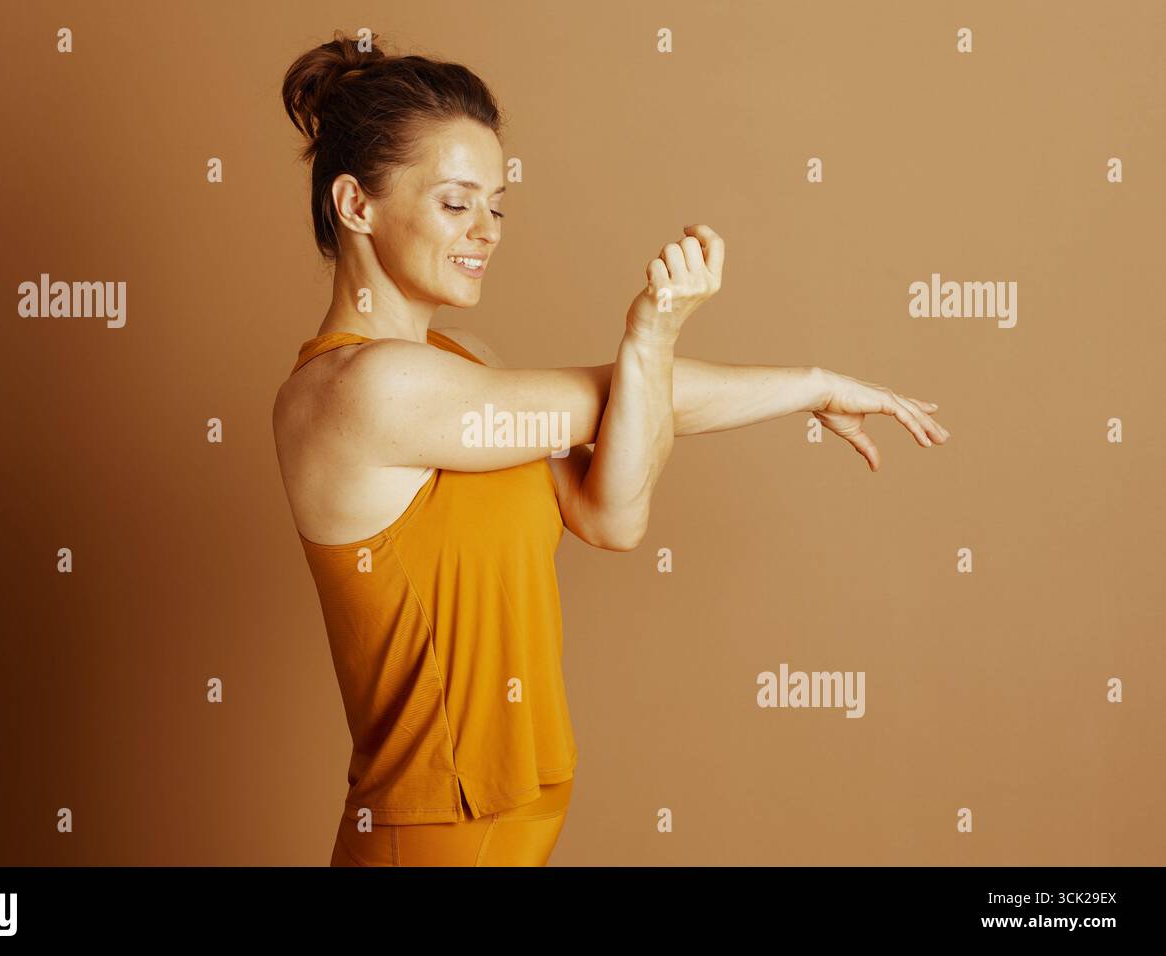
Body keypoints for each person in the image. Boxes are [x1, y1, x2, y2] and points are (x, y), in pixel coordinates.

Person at [272, 31, 949, 867]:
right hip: (438, 822)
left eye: (497, 206)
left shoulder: (465, 364)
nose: (487, 231)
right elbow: (610, 397)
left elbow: (613, 513)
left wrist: (804, 383)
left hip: (520, 809)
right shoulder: (356, 389)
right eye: (456, 204)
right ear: (355, 205)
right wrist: (662, 339)